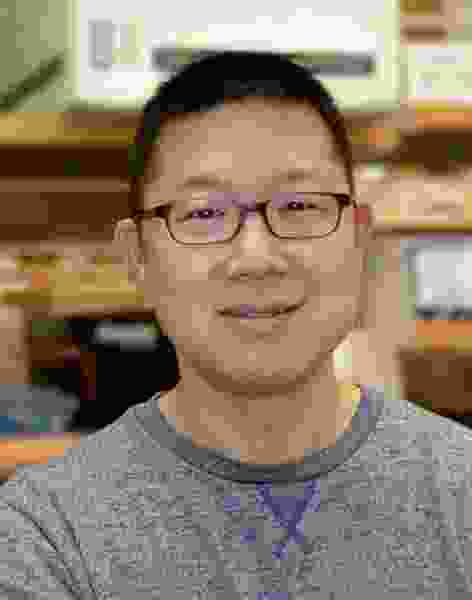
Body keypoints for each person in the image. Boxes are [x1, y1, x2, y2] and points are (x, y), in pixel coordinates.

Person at [0, 50, 472, 599]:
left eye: (299, 206)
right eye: (203, 213)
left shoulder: (460, 492)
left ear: (360, 238)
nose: (256, 257)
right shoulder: (47, 537)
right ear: (138, 260)